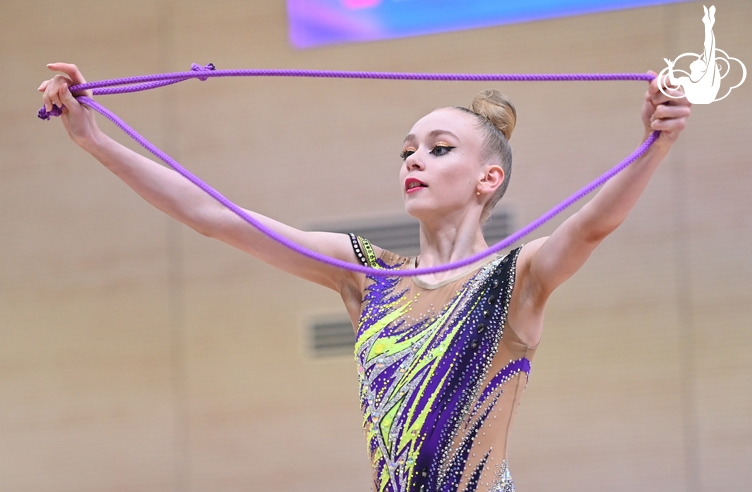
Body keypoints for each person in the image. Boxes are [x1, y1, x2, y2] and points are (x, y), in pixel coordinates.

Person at [39, 63, 690, 492]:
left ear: (489, 178)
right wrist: (94, 140)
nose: (415, 159)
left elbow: (591, 227)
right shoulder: (366, 274)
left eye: (439, 148)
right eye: (407, 150)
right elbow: (216, 217)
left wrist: (654, 145)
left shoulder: (515, 276)